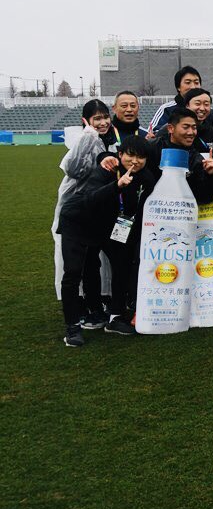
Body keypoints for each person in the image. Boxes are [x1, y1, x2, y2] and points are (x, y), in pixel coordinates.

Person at [57, 134, 155, 345]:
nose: (135, 161)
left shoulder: (145, 177)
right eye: (130, 156)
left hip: (109, 227)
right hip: (78, 221)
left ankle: (115, 317)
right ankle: (72, 328)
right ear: (120, 155)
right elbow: (89, 199)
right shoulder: (106, 170)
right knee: (73, 272)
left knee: (122, 263)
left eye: (141, 157)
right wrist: (117, 185)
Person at [52, 100, 120, 308]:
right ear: (86, 121)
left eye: (105, 117)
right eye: (97, 118)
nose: (103, 122)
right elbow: (73, 169)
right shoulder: (84, 138)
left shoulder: (110, 139)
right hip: (78, 207)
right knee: (76, 260)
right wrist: (89, 135)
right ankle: (79, 304)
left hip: (98, 206)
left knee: (94, 259)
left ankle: (98, 301)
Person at [148, 107, 213, 204]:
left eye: (194, 128)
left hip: (181, 213)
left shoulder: (196, 158)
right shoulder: (152, 148)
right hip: (153, 211)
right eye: (186, 127)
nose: (191, 132)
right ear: (171, 128)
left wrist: (211, 175)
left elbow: (205, 198)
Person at [148, 66, 202, 134]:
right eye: (188, 82)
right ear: (178, 87)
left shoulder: (206, 110)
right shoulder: (167, 109)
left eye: (196, 83)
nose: (193, 87)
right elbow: (153, 134)